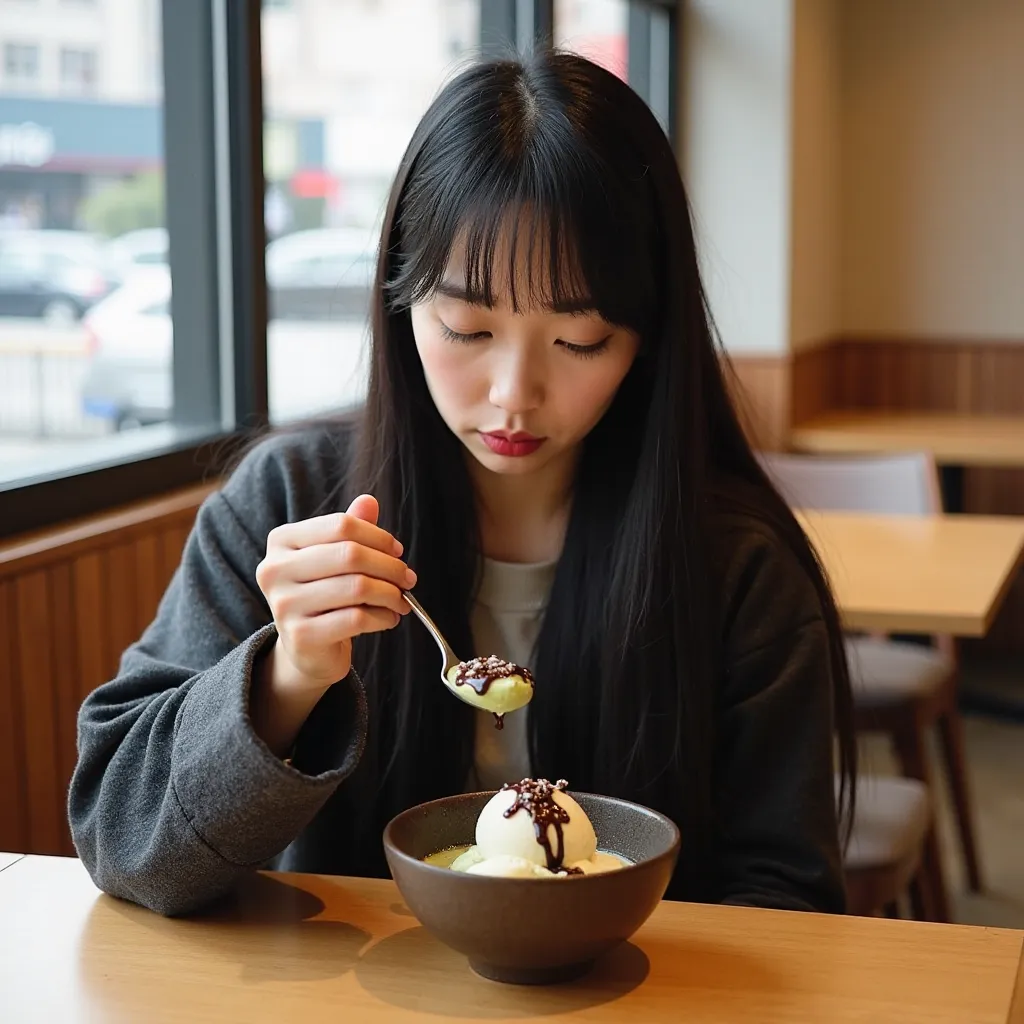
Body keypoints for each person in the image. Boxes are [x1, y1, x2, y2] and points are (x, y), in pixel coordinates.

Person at [69, 50, 856, 918]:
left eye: (580, 340)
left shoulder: (737, 568)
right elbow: (121, 839)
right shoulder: (288, 504)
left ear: (648, 341)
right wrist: (288, 677)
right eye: (466, 326)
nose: (513, 394)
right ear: (401, 304)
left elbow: (787, 902)